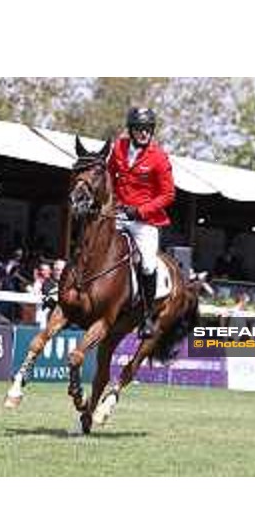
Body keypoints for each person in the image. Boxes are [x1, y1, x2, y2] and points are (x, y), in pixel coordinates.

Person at [107, 107, 175, 338]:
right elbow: (108, 176)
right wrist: (111, 203)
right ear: (131, 130)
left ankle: (146, 316)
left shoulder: (159, 158)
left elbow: (168, 195)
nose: (144, 133)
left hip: (144, 221)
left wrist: (140, 211)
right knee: (93, 238)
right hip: (117, 212)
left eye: (148, 129)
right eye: (139, 129)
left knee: (147, 264)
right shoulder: (118, 147)